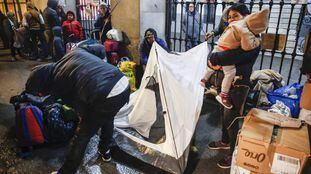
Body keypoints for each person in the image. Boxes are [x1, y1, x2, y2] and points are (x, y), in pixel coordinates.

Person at [25, 43, 130, 174]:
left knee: (82, 136)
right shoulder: (72, 54)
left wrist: (83, 120)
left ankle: (67, 171)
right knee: (107, 118)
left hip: (106, 93)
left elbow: (77, 107)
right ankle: (105, 150)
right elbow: (98, 48)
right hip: (123, 83)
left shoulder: (59, 81)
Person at [201, 4, 268, 109]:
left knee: (231, 116)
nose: (231, 19)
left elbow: (235, 56)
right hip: (223, 80)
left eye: (235, 16)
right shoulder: (234, 29)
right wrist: (213, 59)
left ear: (247, 16)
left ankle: (220, 94)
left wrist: (214, 59)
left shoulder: (253, 38)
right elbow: (220, 47)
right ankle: (207, 82)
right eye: (229, 17)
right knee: (223, 112)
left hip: (238, 83)